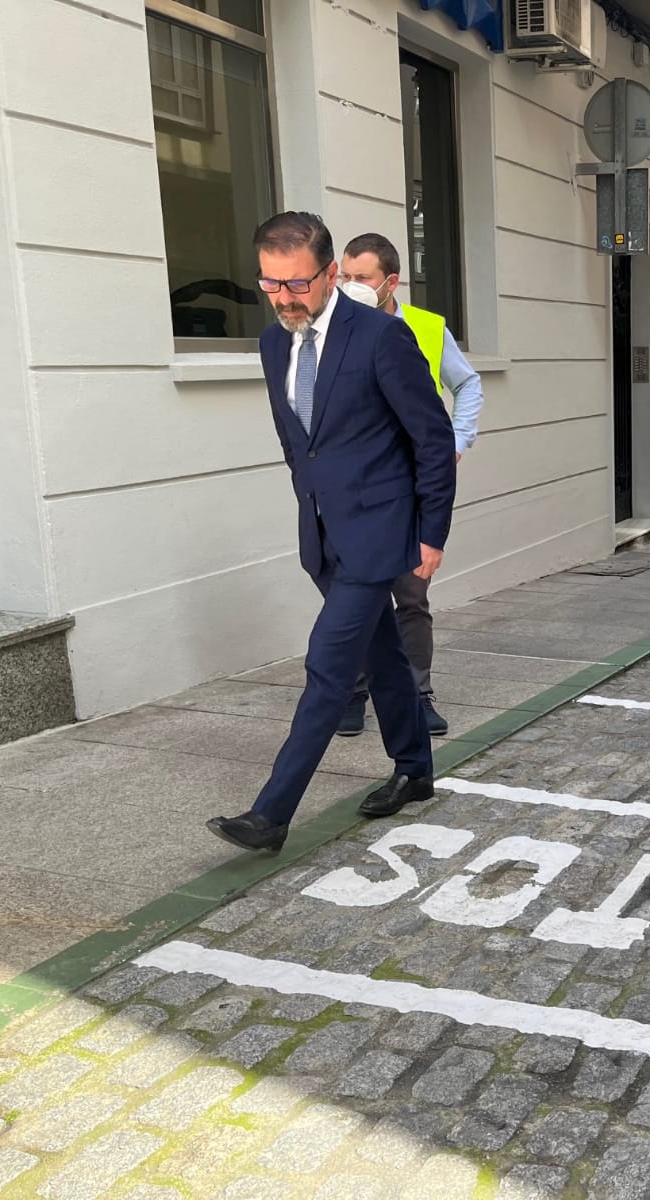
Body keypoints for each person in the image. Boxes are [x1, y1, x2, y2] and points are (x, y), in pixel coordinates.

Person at [206, 212, 456, 853]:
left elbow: (431, 438)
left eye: (297, 284)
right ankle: (416, 770)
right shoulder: (272, 345)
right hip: (322, 535)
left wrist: (431, 535)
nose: (285, 298)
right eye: (270, 285)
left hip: (380, 532)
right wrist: (310, 512)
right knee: (386, 657)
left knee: (327, 666)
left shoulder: (378, 336)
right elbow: (300, 444)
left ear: (328, 274)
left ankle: (270, 815)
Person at [337, 232, 485, 739]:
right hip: (355, 486)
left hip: (410, 486)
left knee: (411, 595)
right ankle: (353, 695)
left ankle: (418, 695)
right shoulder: (331, 327)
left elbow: (467, 382)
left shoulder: (425, 327)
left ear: (390, 281)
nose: (349, 286)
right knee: (353, 597)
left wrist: (457, 440)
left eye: (361, 278)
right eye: (344, 276)